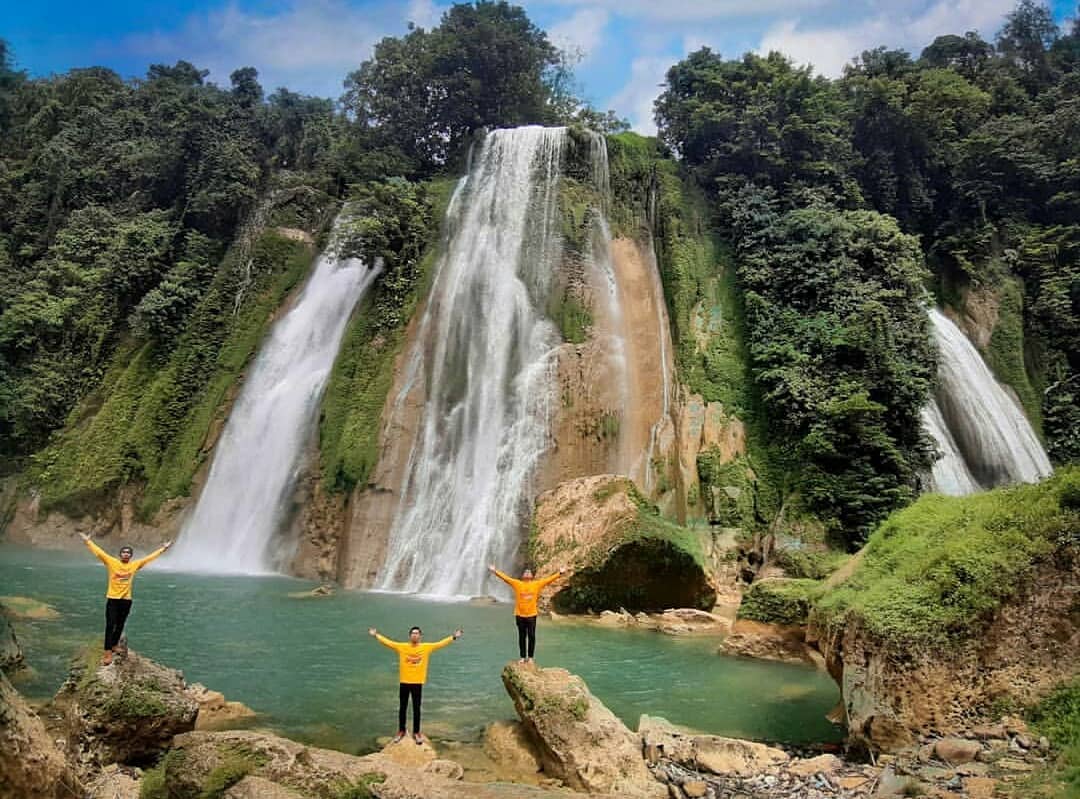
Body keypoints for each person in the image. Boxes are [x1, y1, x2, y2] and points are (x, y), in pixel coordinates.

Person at [79, 532, 171, 665]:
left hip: (126, 600)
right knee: (110, 625)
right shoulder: (112, 562)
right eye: (124, 552)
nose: (126, 554)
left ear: (131, 556)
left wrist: (164, 548)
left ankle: (114, 645)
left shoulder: (134, 565)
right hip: (112, 599)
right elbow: (99, 552)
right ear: (120, 555)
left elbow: (149, 558)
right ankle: (107, 653)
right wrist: (88, 541)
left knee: (120, 624)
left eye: (128, 553)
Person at [369, 625, 463, 744]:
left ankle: (416, 732)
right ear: (410, 636)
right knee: (402, 708)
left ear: (420, 636)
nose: (415, 635)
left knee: (416, 709)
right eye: (413, 633)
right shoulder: (402, 647)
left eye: (417, 633)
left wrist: (453, 637)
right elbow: (388, 643)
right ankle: (401, 731)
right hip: (404, 682)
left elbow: (440, 644)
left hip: (417, 683)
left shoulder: (426, 647)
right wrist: (376, 635)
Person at [488, 564, 563, 664]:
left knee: (532, 636)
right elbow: (506, 578)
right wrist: (495, 571)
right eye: (525, 572)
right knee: (522, 637)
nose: (527, 572)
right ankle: (522, 657)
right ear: (523, 576)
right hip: (519, 615)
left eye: (529, 572)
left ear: (532, 576)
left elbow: (549, 580)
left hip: (532, 615)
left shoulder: (537, 584)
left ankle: (531, 657)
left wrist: (560, 573)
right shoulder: (517, 583)